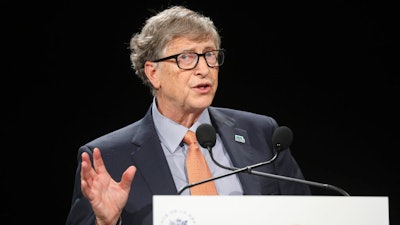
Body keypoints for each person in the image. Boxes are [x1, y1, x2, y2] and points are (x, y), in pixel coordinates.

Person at [65, 5, 311, 225]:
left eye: (210, 55)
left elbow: (306, 215)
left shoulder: (262, 133)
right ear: (153, 73)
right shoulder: (107, 158)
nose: (204, 69)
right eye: (186, 57)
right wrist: (105, 223)